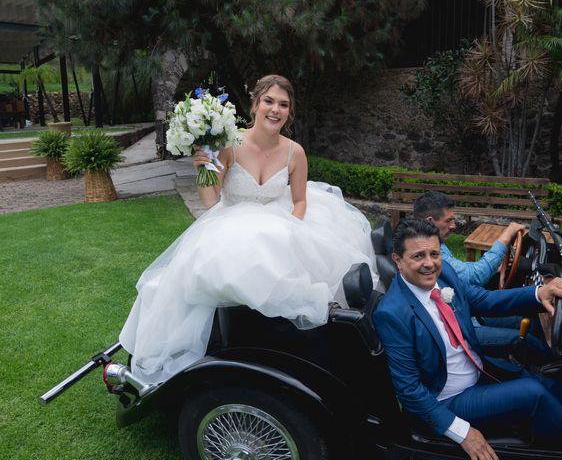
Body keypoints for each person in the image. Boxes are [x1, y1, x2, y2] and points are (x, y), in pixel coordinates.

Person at [119, 74, 377, 384]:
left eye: (283, 104)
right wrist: (204, 170)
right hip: (232, 223)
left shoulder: (295, 152)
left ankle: (292, 350)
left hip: (281, 223)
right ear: (254, 105)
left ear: (289, 111)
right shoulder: (229, 144)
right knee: (200, 274)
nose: (275, 110)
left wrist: (292, 232)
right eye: (268, 101)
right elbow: (211, 202)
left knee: (281, 250)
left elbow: (299, 201)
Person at [372, 218, 562, 458]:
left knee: (551, 381)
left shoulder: (443, 273)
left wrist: (539, 293)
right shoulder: (392, 313)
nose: (429, 264)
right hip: (446, 401)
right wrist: (462, 431)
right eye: (418, 256)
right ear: (398, 260)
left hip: (479, 372)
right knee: (533, 393)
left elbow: (483, 300)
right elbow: (409, 390)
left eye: (434, 253)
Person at [413, 191, 552, 363]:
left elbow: (464, 274)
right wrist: (506, 236)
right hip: (462, 327)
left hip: (466, 311)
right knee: (525, 339)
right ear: (430, 222)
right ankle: (552, 374)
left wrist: (496, 269)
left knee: (528, 322)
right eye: (448, 220)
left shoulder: (431, 244)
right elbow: (474, 277)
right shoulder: (429, 255)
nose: (454, 226)